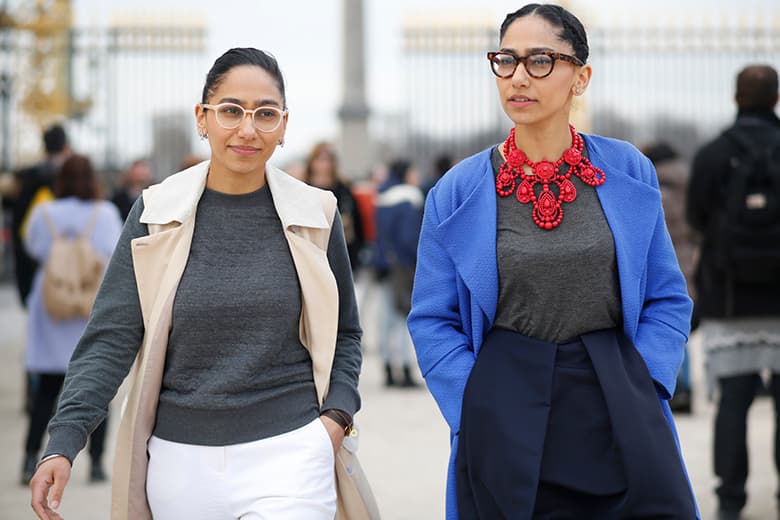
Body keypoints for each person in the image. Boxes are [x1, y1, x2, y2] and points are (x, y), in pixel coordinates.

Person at [29, 47, 364, 520]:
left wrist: (337, 416)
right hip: (179, 464)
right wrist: (63, 441)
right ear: (202, 118)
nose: (248, 129)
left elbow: (346, 332)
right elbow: (111, 338)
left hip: (292, 452)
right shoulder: (154, 213)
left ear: (284, 126)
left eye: (265, 114)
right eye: (231, 111)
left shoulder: (317, 214)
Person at [407, 4, 699, 519]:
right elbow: (432, 318)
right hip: (503, 403)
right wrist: (473, 402)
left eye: (540, 60)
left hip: (618, 395)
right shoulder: (455, 192)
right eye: (506, 60)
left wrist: (647, 382)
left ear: (580, 77)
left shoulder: (629, 169)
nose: (519, 76)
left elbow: (667, 296)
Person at [687, 64, 780, 520]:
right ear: (777, 99)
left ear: (735, 97)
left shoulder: (712, 154)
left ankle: (730, 500)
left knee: (733, 404)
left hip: (729, 298)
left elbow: (697, 218)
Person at [20, 154, 123, 486]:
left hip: (52, 307)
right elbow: (114, 253)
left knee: (46, 393)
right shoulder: (105, 213)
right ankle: (94, 463)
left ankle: (29, 458)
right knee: (96, 386)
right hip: (88, 306)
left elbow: (33, 248)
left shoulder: (43, 212)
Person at [643, 141, 700, 414]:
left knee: (669, 321)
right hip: (690, 256)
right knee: (680, 320)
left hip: (670, 256)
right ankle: (685, 387)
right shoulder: (688, 178)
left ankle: (679, 386)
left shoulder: (658, 183)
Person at [374, 159, 423, 388]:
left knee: (386, 318)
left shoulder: (383, 196)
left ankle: (388, 367)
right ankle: (404, 368)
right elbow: (408, 237)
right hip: (403, 265)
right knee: (404, 318)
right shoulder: (408, 197)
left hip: (383, 263)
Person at [11, 123, 71, 307]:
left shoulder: (29, 177)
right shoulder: (70, 177)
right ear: (66, 146)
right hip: (65, 259)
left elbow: (19, 221)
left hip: (33, 256)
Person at [304, 142, 365, 270]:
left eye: (328, 160)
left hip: (342, 250)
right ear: (312, 162)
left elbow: (358, 222)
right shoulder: (303, 189)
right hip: (312, 252)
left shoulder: (344, 189)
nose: (324, 164)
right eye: (320, 159)